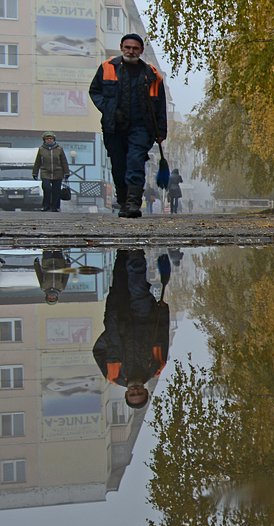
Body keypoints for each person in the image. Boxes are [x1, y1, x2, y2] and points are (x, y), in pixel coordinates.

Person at [88, 33, 168, 219]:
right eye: (128, 47)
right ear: (122, 47)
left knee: (135, 162)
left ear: (141, 51)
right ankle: (123, 201)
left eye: (135, 48)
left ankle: (133, 203)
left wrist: (161, 131)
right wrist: (109, 109)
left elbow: (160, 105)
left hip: (141, 127)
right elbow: (95, 91)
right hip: (114, 126)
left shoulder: (152, 74)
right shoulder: (107, 68)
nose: (131, 51)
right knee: (119, 166)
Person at [93, 249, 171, 410]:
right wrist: (163, 312)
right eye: (139, 394)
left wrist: (111, 334)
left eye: (132, 395)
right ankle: (135, 251)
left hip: (117, 317)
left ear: (126, 394)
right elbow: (163, 336)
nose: (135, 391)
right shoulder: (156, 367)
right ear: (145, 391)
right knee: (137, 286)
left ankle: (122, 251)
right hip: (143, 317)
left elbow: (98, 351)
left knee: (120, 279)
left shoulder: (113, 375)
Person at [32, 132, 69, 212]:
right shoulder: (41, 149)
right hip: (45, 172)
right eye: (47, 139)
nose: (49, 140)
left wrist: (66, 172)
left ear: (54, 139)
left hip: (58, 172)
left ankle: (55, 207)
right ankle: (46, 206)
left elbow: (64, 161)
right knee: (46, 188)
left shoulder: (59, 149)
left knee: (56, 190)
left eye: (51, 138)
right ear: (44, 140)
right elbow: (37, 162)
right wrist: (35, 172)